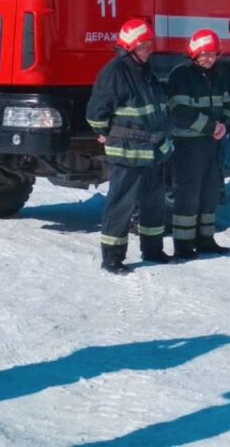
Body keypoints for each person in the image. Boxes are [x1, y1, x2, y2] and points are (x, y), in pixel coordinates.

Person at [86, 18, 173, 274]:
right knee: (121, 205)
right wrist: (102, 132)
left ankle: (153, 249)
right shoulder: (114, 72)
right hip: (127, 152)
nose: (150, 50)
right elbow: (95, 113)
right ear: (131, 46)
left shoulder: (144, 69)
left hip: (152, 151)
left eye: (149, 45)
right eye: (145, 46)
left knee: (153, 203)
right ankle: (112, 258)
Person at [166, 29, 230, 258]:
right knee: (188, 193)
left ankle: (205, 238)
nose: (209, 58)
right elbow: (179, 111)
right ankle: (183, 244)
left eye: (213, 54)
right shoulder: (180, 75)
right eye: (205, 54)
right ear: (194, 52)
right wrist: (211, 127)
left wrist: (224, 124)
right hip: (188, 145)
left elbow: (227, 105)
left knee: (210, 192)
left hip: (212, 144)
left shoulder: (218, 75)